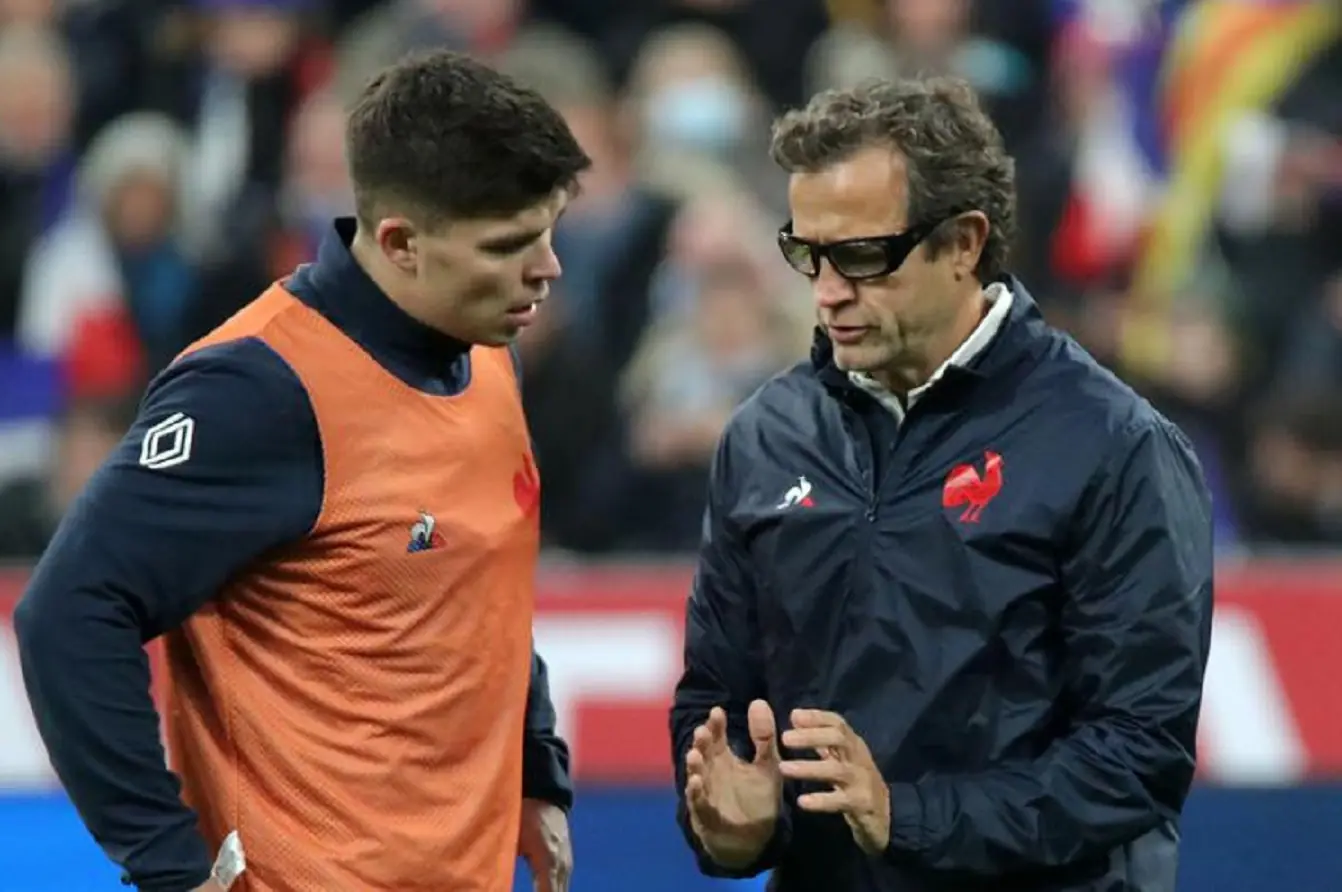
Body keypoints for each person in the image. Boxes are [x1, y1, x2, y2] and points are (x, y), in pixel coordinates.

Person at [15, 50, 588, 892]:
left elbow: (480, 579)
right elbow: (67, 613)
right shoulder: (258, 389)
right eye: (508, 245)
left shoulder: (487, 345)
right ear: (400, 243)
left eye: (549, 230)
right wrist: (169, 863)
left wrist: (535, 768)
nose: (548, 268)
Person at [670, 77, 1213, 892]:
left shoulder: (1114, 446)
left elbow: (1137, 756)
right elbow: (717, 698)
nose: (827, 291)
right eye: (807, 254)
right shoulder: (765, 438)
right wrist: (735, 823)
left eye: (861, 255)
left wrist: (907, 817)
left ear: (963, 243)